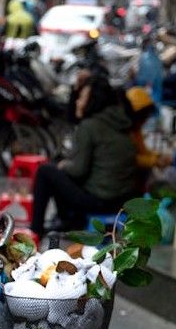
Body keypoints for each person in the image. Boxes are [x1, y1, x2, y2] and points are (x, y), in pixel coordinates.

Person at [30, 75, 138, 237]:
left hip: (100, 201)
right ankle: (66, 220)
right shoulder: (121, 122)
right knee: (60, 170)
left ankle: (36, 230)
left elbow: (78, 169)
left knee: (46, 171)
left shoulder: (90, 127)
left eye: (81, 98)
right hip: (122, 200)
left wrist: (63, 165)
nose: (77, 102)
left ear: (93, 102)